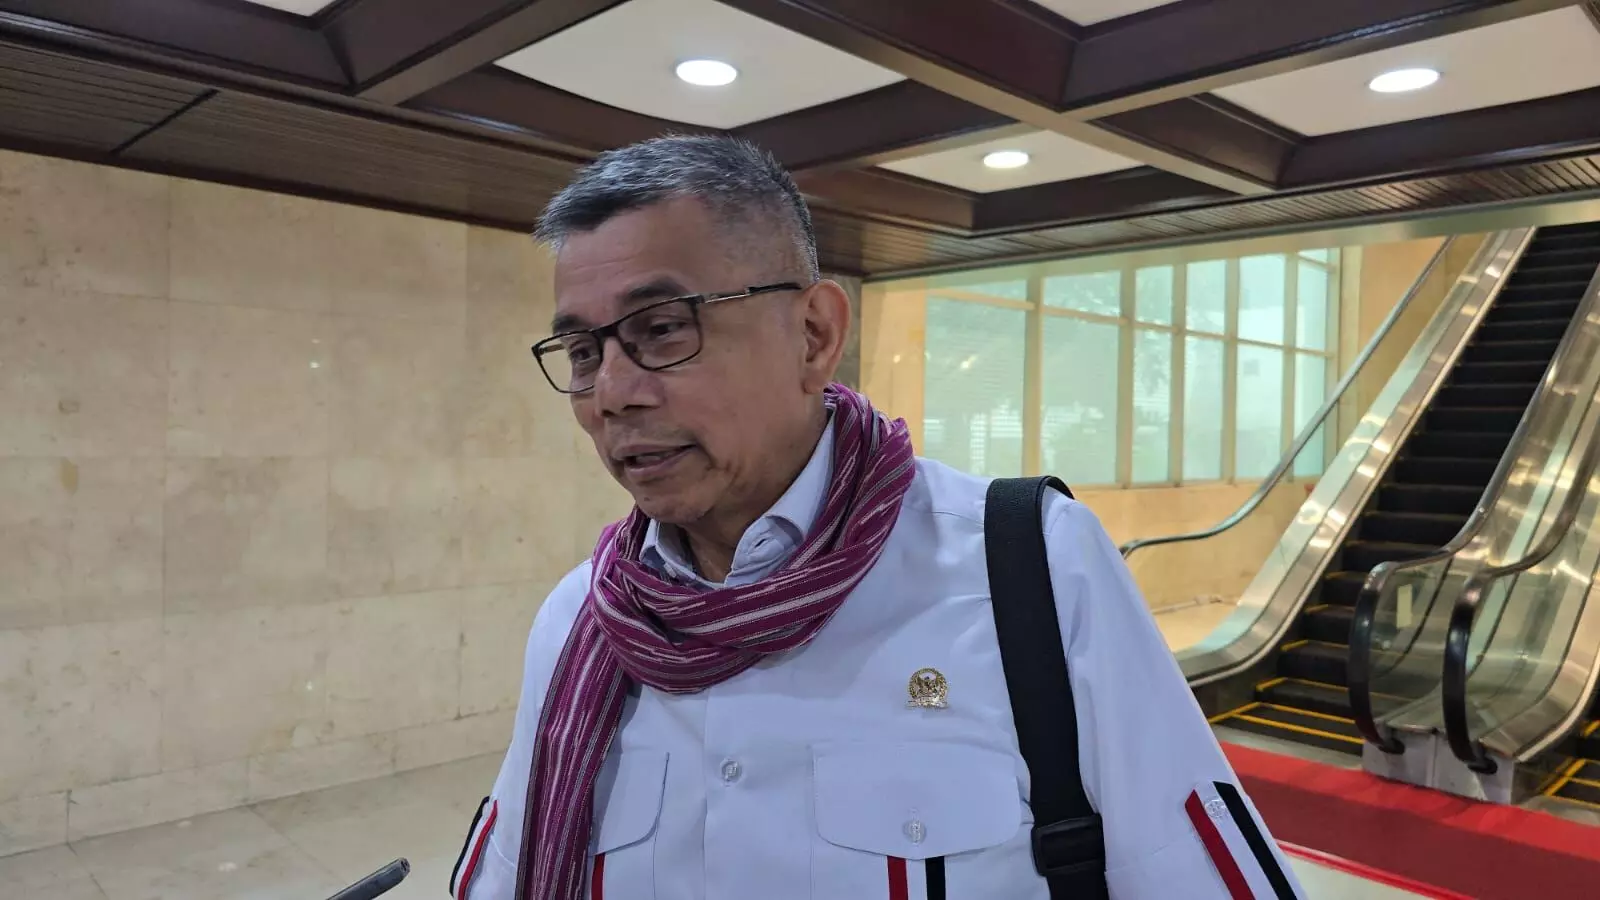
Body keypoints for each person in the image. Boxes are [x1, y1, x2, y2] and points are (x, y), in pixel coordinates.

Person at [450, 135, 1304, 900]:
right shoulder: (582, 621)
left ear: (814, 335)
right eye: (584, 351)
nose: (611, 394)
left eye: (663, 329)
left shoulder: (1031, 570)